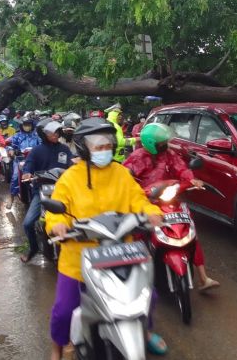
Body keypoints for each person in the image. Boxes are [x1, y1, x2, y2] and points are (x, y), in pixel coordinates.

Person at [45, 117, 167, 360]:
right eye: (98, 146)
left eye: (108, 145)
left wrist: (153, 213)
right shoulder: (71, 178)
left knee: (148, 296)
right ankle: (58, 347)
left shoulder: (121, 173)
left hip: (121, 252)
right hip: (79, 257)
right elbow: (56, 209)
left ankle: (143, 331)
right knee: (64, 310)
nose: (105, 150)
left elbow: (139, 200)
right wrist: (57, 223)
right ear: (83, 147)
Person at [123, 123, 221, 292]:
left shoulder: (169, 154)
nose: (165, 145)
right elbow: (124, 178)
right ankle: (136, 274)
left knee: (189, 230)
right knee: (137, 234)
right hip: (146, 202)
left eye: (165, 141)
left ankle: (203, 277)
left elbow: (182, 169)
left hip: (169, 198)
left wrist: (192, 180)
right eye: (161, 142)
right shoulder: (137, 157)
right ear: (151, 143)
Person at [20, 119, 73, 263]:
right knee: (28, 223)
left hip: (63, 191)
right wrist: (27, 172)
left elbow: (73, 163)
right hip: (41, 191)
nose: (55, 135)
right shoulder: (37, 150)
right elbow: (29, 164)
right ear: (43, 134)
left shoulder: (64, 149)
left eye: (56, 132)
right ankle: (33, 248)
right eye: (51, 132)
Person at [8, 115, 42, 206]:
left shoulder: (37, 135)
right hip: (20, 160)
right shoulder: (17, 136)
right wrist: (11, 150)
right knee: (15, 177)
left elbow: (42, 144)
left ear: (32, 125)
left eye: (29, 124)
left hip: (35, 160)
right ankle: (11, 198)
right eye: (25, 124)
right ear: (22, 125)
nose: (27, 126)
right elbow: (11, 146)